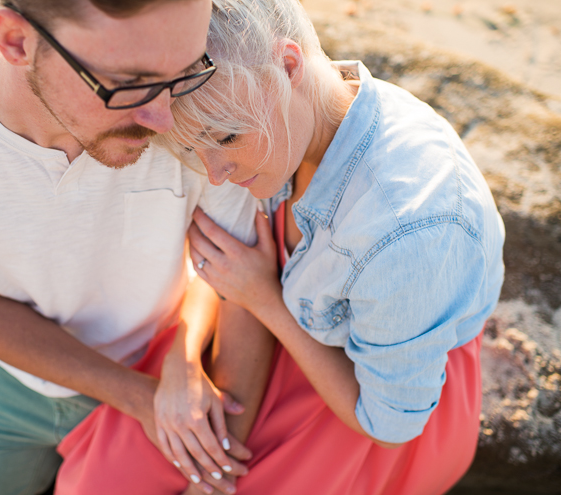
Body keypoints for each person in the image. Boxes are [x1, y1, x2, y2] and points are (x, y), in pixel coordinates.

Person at [53, 0, 506, 493]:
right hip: (265, 320)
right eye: (191, 148)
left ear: (289, 65)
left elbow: (389, 424)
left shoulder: (405, 231)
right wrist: (190, 351)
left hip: (361, 392)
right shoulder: (289, 120)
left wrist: (264, 298)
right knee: (103, 480)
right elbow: (226, 262)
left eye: (225, 137)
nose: (214, 173)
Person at [0, 0, 264, 493]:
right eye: (130, 83)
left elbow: (236, 279)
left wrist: (186, 359)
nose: (163, 119)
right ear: (16, 41)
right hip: (10, 376)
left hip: (164, 359)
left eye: (186, 71)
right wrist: (138, 397)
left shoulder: (207, 110)